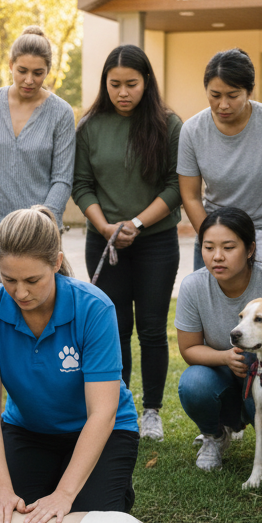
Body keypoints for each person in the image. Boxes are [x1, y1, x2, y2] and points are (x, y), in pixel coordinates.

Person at [0, 206, 140, 523]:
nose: (20, 292)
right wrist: (2, 490)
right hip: (29, 431)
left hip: (101, 429)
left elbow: (102, 413)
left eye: (33, 280)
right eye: (9, 279)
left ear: (57, 263)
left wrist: (64, 493)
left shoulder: (95, 308)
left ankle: (109, 487)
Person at [73, 44, 182, 441]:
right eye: (115, 84)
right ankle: (117, 406)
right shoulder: (89, 127)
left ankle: (152, 410)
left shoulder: (169, 125)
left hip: (155, 240)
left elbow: (176, 186)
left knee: (152, 328)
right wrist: (105, 228)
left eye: (131, 84)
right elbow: (81, 185)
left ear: (146, 82)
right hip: (104, 242)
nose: (123, 92)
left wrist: (135, 222)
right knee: (114, 327)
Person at [175, 208, 262, 471]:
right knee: (193, 382)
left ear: (250, 249)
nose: (217, 256)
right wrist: (224, 358)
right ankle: (215, 435)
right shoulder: (193, 286)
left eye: (228, 247)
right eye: (208, 247)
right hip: (221, 373)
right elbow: (188, 348)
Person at [0, 26, 75, 291]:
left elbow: (62, 179)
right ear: (10, 65)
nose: (29, 80)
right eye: (22, 71)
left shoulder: (60, 112)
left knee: (36, 301)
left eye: (38, 73)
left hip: (39, 230)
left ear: (48, 70)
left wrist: (43, 222)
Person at [177, 49, 262, 272]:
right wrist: (211, 243)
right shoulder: (192, 130)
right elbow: (190, 195)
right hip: (214, 231)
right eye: (215, 95)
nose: (223, 105)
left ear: (249, 91)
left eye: (232, 95)